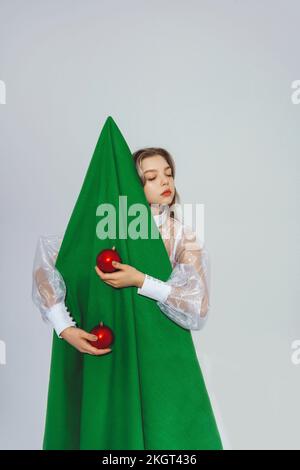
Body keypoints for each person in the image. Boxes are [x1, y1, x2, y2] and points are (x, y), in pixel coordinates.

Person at [32, 148, 210, 353]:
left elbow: (199, 305)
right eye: (152, 177)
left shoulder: (182, 237)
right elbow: (45, 265)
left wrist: (141, 281)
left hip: (159, 346)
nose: (165, 181)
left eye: (168, 174)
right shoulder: (108, 228)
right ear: (131, 184)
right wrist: (63, 325)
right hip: (114, 348)